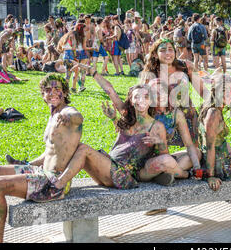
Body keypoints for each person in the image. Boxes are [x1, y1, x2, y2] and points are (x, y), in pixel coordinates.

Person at [0, 74, 83, 243]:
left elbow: (78, 116)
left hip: (54, 182)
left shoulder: (66, 112)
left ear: (65, 92)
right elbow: (50, 152)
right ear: (42, 94)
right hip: (41, 171)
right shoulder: (52, 115)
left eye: (57, 89)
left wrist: (69, 117)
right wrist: (27, 164)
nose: (53, 93)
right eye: (48, 90)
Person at [50, 68, 189, 193]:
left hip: (123, 176)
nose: (141, 100)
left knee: (84, 149)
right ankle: (51, 173)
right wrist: (93, 72)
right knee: (77, 146)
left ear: (150, 101)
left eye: (146, 97)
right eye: (136, 96)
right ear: (131, 100)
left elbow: (164, 155)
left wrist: (159, 141)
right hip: (107, 168)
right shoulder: (127, 117)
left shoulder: (157, 126)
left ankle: (56, 186)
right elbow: (109, 90)